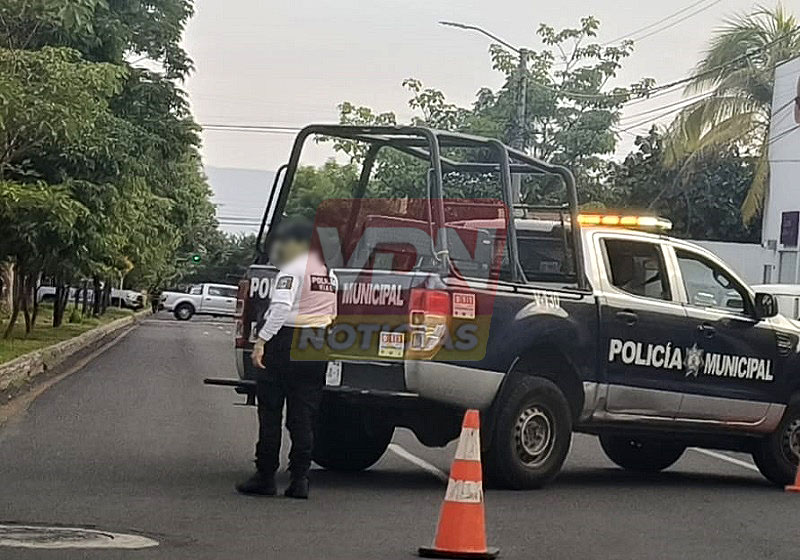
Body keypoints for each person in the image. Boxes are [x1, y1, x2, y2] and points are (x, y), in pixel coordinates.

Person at [236, 219, 336, 499]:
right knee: (304, 416)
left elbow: (280, 308)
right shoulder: (328, 274)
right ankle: (300, 479)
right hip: (316, 343)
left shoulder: (292, 269)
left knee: (270, 411)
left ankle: (265, 476)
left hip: (286, 341)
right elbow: (332, 313)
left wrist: (262, 341)